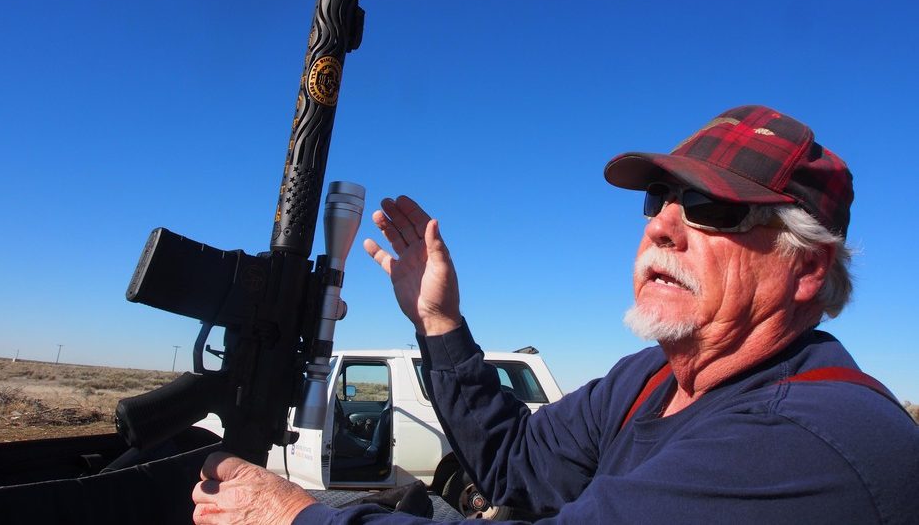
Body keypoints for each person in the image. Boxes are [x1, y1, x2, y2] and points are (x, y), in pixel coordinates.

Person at [192, 105, 919, 524]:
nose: (662, 226)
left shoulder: (812, 442)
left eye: (711, 208)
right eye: (657, 199)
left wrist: (297, 514)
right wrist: (440, 323)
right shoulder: (649, 382)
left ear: (808, 268)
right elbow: (516, 468)